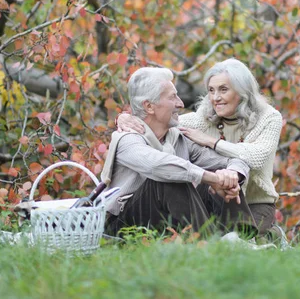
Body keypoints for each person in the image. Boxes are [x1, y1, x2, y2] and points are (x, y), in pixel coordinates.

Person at [117, 59, 282, 236]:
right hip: (216, 194)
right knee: (178, 176)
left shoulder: (268, 118)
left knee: (256, 240)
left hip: (254, 201)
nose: (215, 97)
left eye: (223, 89)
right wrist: (124, 117)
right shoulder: (202, 119)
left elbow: (256, 157)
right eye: (211, 90)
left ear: (242, 91)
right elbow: (158, 120)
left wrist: (215, 148)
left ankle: (252, 239)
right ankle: (220, 242)